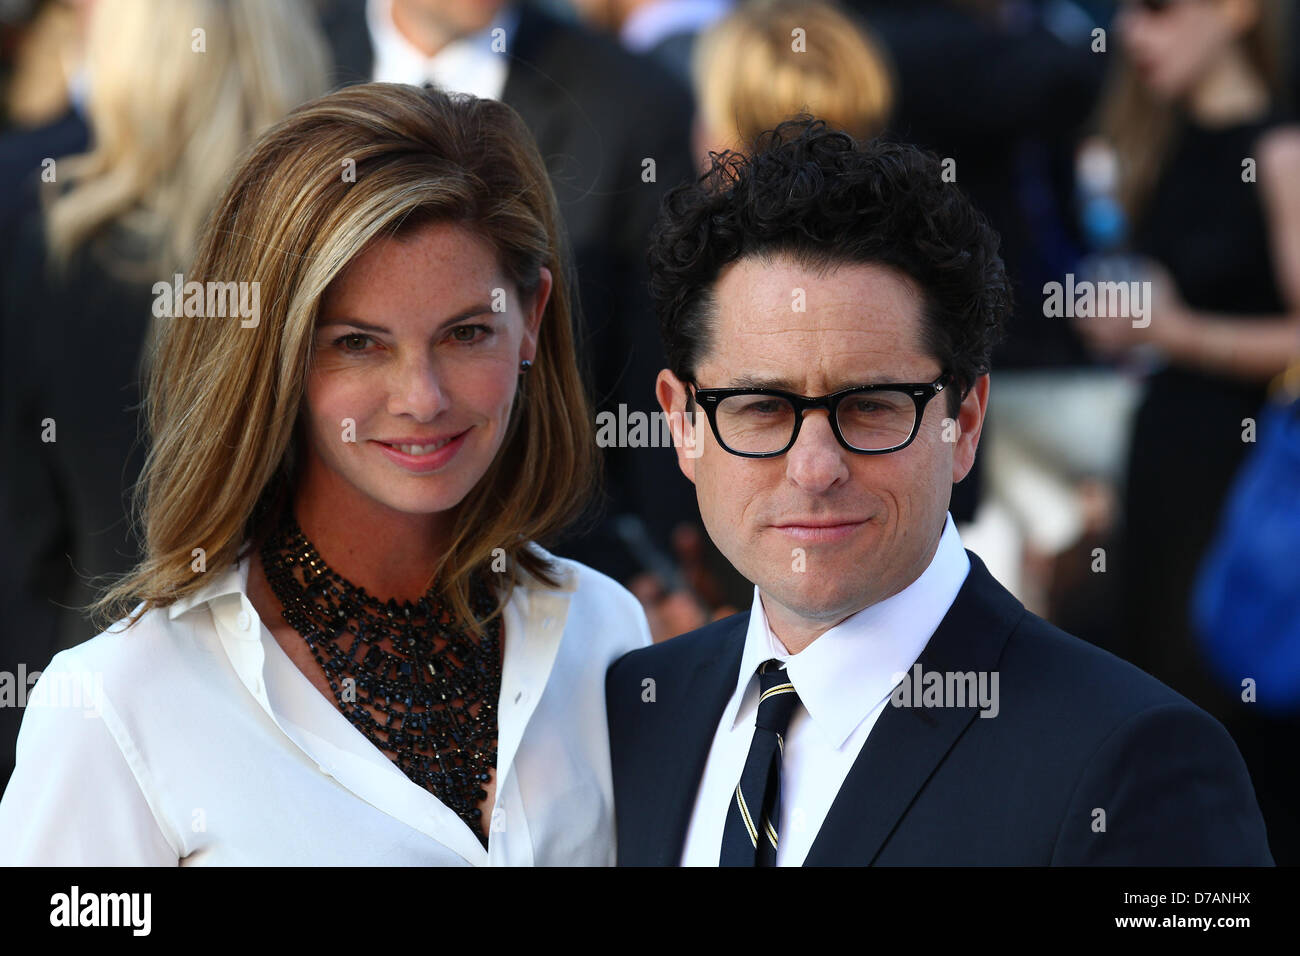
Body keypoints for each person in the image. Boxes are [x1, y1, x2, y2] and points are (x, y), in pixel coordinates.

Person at [0, 83, 652, 865]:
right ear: (275, 358)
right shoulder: (117, 703)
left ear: (532, 321)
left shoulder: (603, 634)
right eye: (358, 343)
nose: (423, 398)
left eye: (467, 332)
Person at [605, 117, 1273, 866]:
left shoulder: (1135, 763)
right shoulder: (631, 709)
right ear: (683, 424)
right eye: (762, 408)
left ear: (965, 421)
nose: (815, 467)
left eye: (872, 406)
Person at [0, 0, 330, 795]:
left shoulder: (32, 219)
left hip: (100, 723)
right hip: (331, 716)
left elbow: (19, 544)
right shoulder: (346, 236)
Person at [1077, 0, 1300, 863]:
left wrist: (1175, 332)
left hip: (1249, 479)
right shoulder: (1148, 142)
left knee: (1236, 718)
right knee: (1162, 710)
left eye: (1160, 10)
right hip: (1163, 460)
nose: (1135, 33)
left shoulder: (1278, 149)